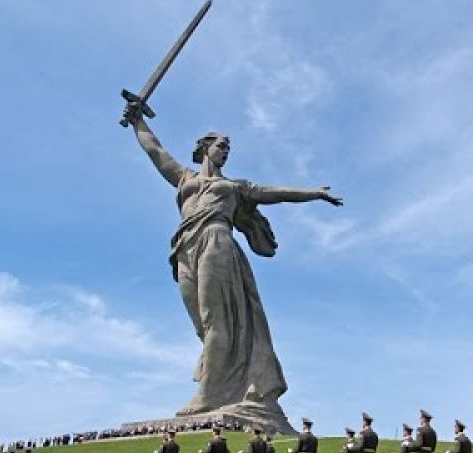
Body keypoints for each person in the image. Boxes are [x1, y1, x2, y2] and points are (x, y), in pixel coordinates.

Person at [122, 105, 342, 418]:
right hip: (184, 248)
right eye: (221, 146)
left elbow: (275, 193)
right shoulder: (184, 178)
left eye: (229, 149)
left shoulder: (235, 187)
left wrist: (314, 193)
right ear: (205, 148)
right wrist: (137, 121)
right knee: (202, 325)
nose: (226, 152)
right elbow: (155, 151)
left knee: (215, 320)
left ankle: (208, 396)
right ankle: (225, 382)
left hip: (216, 241)